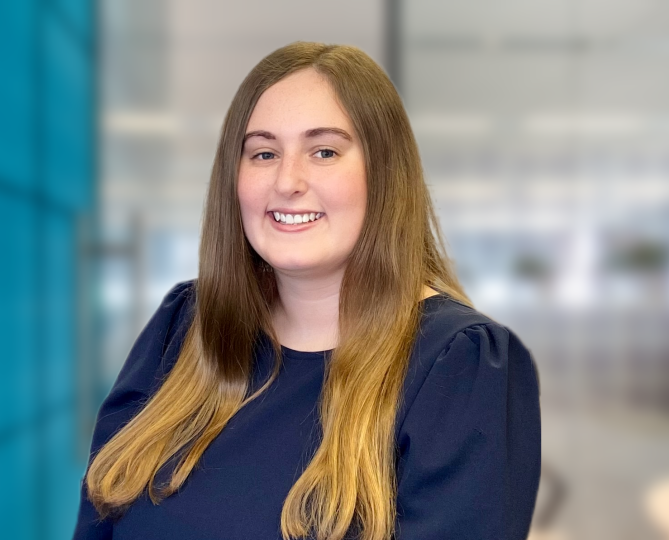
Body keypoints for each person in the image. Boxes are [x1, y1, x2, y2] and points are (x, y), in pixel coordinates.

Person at [73, 42, 540, 540]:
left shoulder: (461, 367)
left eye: (324, 152)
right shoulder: (185, 327)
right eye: (264, 153)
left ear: (385, 174)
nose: (287, 181)